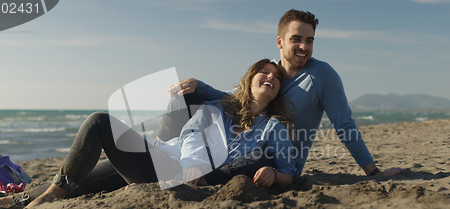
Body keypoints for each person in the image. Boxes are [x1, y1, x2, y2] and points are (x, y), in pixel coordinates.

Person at [0, 59, 299, 209]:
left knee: (99, 123)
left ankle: (47, 195)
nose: (270, 76)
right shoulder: (220, 107)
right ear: (250, 78)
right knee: (79, 182)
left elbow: (290, 174)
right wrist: (193, 162)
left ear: (279, 90)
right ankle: (16, 200)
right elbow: (190, 134)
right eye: (264, 72)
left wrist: (272, 173)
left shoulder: (273, 128)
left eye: (276, 76)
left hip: (173, 173)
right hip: (170, 159)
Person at [170, 9, 402, 177]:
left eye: (309, 40)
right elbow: (233, 98)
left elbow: (344, 125)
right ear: (280, 42)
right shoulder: (267, 71)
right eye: (297, 39)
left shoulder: (322, 76)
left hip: (275, 161)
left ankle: (189, 172)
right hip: (239, 147)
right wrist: (197, 85)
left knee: (250, 155)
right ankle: (166, 154)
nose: (304, 46)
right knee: (186, 95)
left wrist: (372, 171)